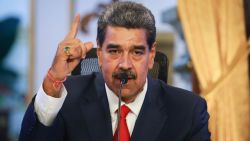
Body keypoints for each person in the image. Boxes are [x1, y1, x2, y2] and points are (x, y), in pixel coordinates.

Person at [19, 1, 210, 141]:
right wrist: (54, 79)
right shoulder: (65, 97)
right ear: (100, 54)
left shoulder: (188, 110)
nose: (125, 64)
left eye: (137, 52)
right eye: (114, 51)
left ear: (151, 55)